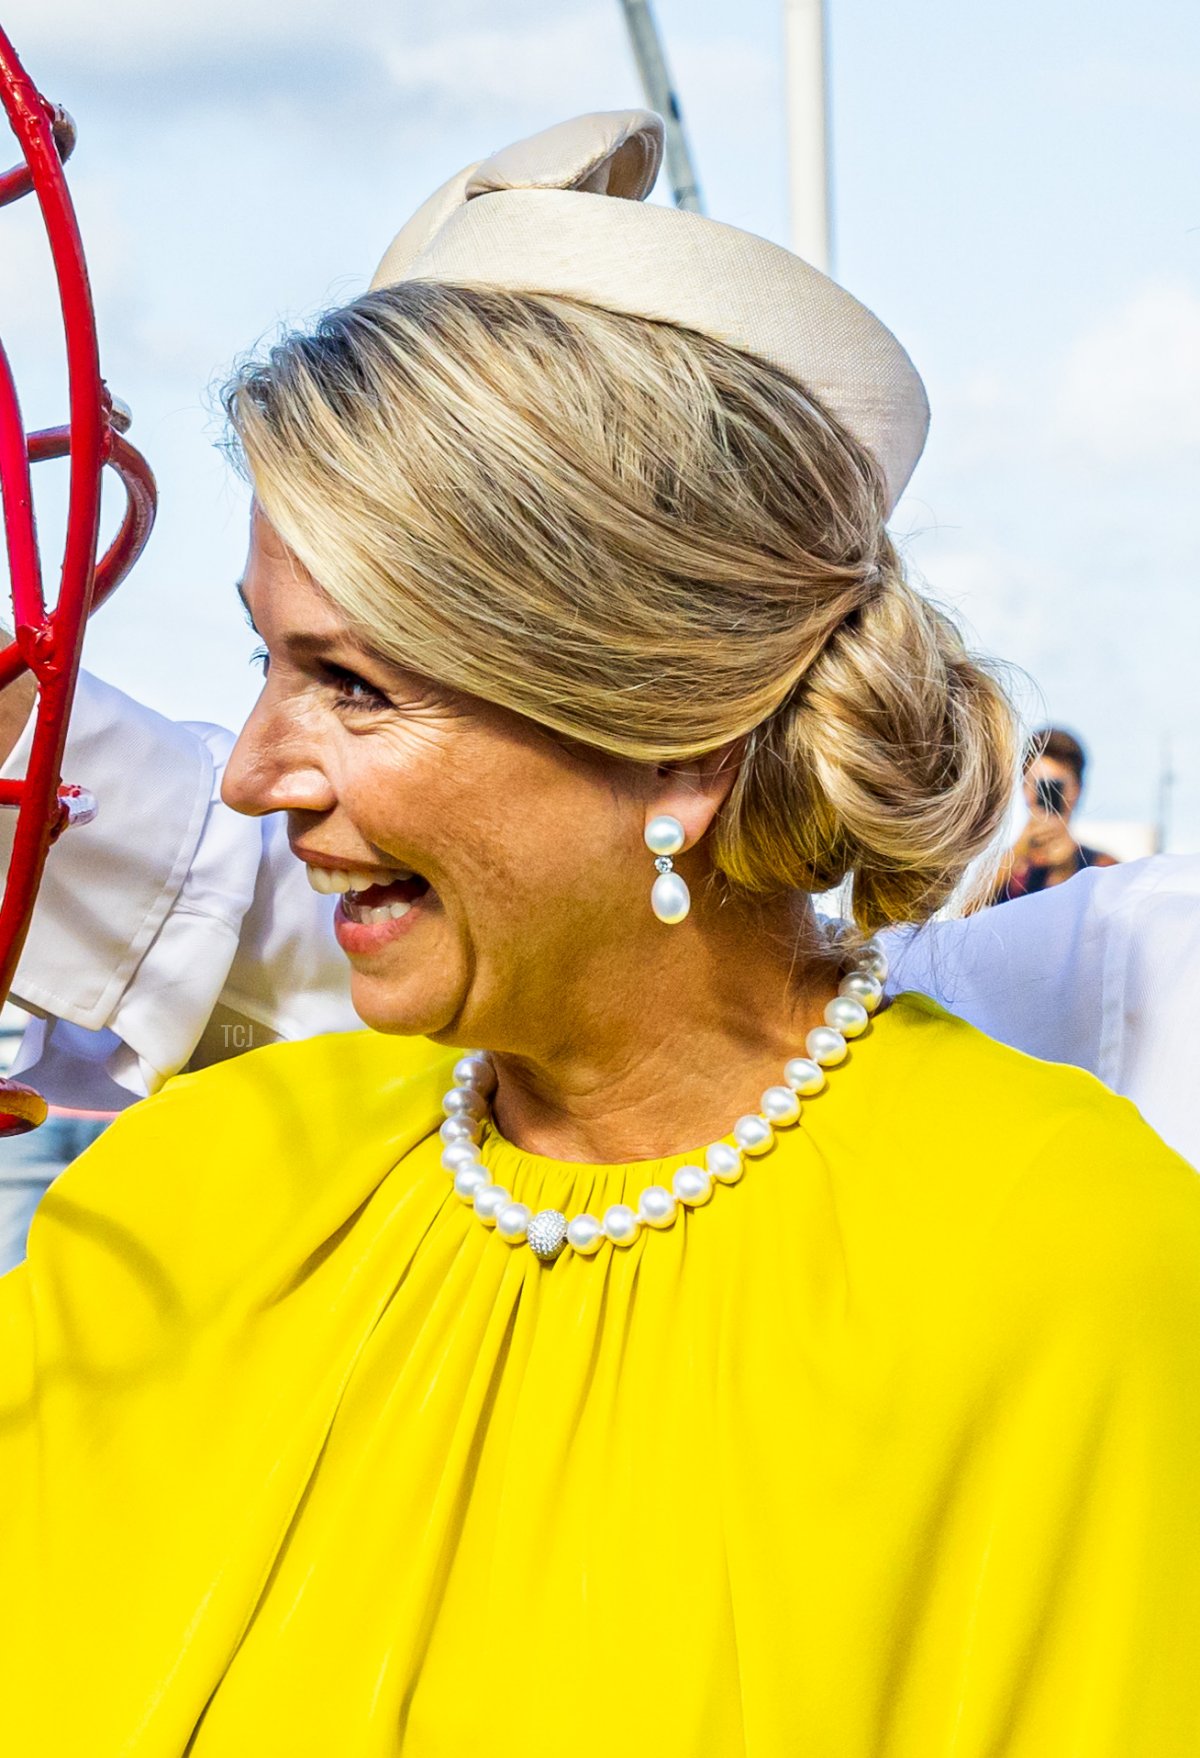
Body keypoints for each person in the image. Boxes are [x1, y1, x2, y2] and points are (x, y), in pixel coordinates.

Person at [1, 112, 1199, 1754]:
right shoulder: (173, 1199)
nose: (255, 770)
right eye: (266, 662)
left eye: (351, 683)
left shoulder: (1062, 1259)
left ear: (674, 742)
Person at [989, 725, 1117, 904]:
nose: (1046, 795)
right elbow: (963, 914)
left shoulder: (1102, 868)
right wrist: (1015, 856)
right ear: (1024, 788)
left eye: (1054, 786)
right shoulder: (1002, 870)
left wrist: (1067, 867)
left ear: (1076, 790)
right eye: (1039, 784)